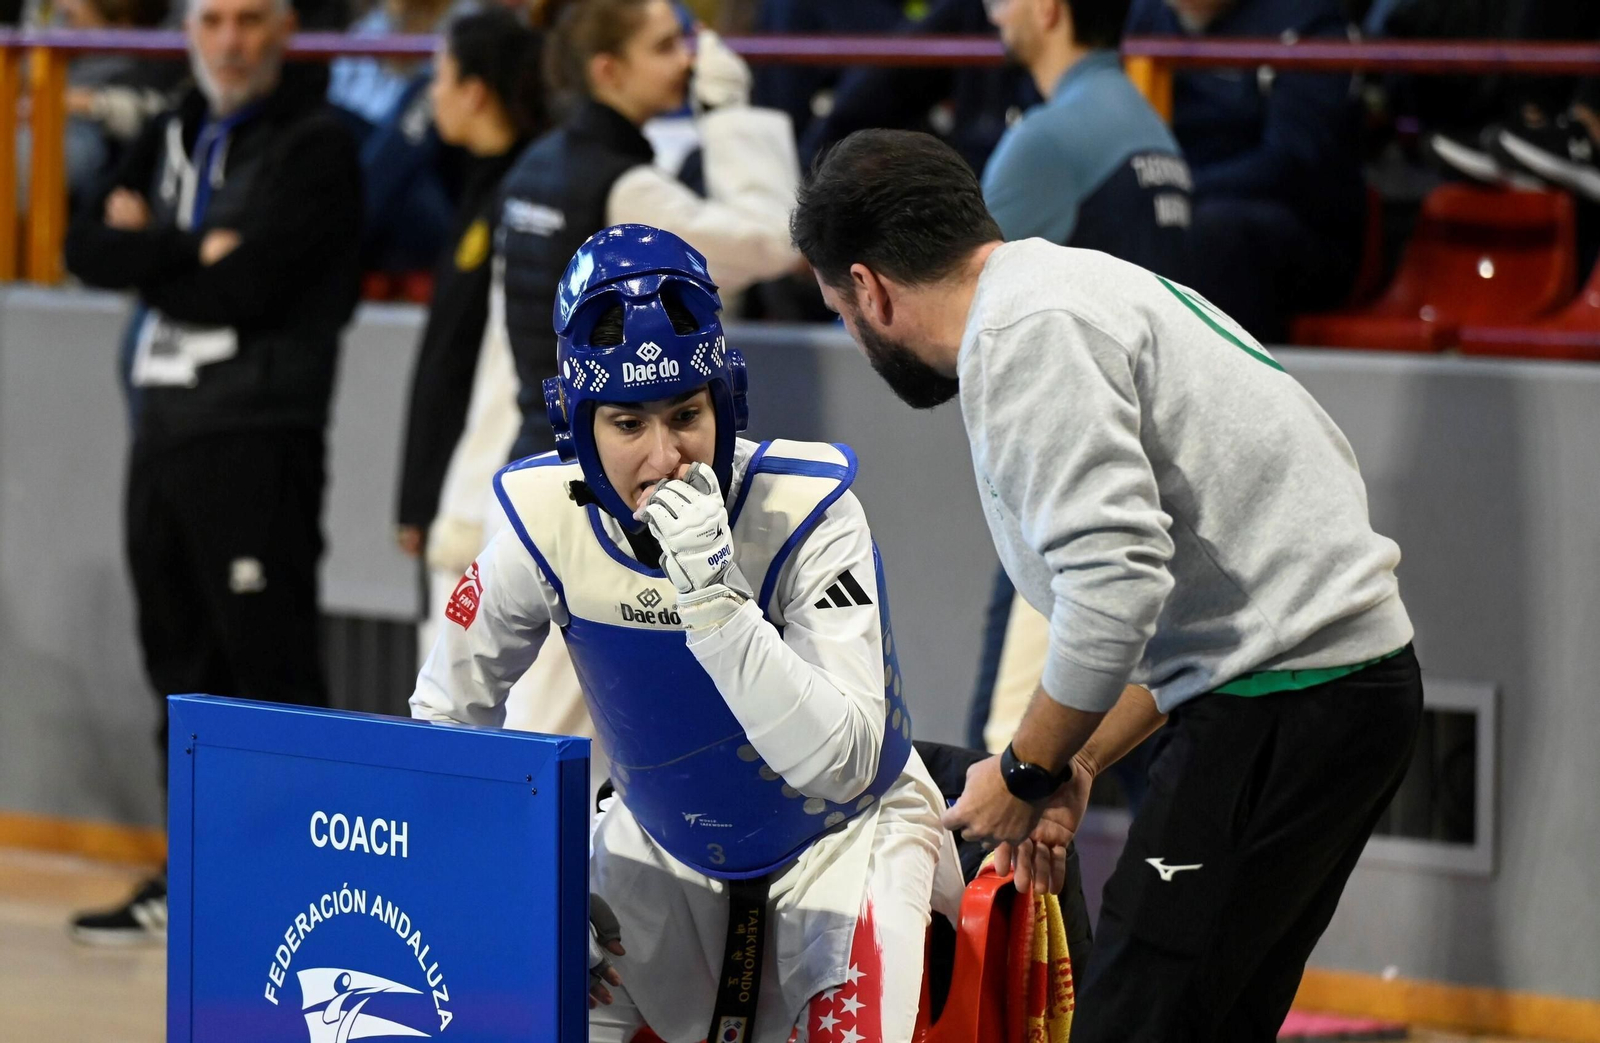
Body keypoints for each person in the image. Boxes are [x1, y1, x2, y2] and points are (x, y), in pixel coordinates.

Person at [791, 129, 1423, 1042]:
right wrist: (1077, 761)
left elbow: (1116, 592)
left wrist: (1024, 770)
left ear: (872, 288)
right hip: (1327, 694)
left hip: (1291, 703)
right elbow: (1178, 605)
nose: (854, 336)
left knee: (1135, 1020)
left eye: (840, 314)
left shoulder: (1022, 339)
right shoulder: (1062, 286)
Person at [411, 224, 992, 1043]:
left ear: (728, 400)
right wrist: (521, 879)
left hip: (843, 842)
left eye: (687, 413)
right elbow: (446, 716)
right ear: (577, 427)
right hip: (656, 841)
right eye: (626, 424)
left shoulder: (810, 513)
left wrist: (717, 606)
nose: (666, 458)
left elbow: (843, 762)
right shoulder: (540, 523)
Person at [63, 0, 362, 944]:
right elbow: (85, 247)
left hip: (258, 435)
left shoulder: (318, 145)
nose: (230, 41)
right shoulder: (169, 128)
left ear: (284, 28)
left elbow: (253, 284)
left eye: (250, 20)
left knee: (264, 665)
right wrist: (189, 248)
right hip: (162, 429)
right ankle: (192, 876)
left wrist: (148, 246)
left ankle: (300, 885)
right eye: (215, 20)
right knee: (178, 661)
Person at [972, 0, 1191, 769]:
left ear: (1048, 8)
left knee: (1010, 775)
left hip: (1068, 502)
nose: (993, 10)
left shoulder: (1044, 145)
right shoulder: (1151, 128)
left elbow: (970, 314)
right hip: (1153, 502)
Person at [496, 0, 800, 461]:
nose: (687, 60)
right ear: (608, 70)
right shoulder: (624, 190)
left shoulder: (535, 164)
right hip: (596, 469)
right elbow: (772, 241)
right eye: (664, 47)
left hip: (534, 450)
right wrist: (727, 110)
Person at [396, 6, 546, 571]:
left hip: (486, 482)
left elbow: (465, 362)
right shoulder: (477, 186)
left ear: (475, 91)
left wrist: (429, 494)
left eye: (439, 76)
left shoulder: (520, 198)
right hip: (454, 479)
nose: (432, 94)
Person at [1126, 0, 1365, 342]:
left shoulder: (1307, 22)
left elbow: (1291, 161)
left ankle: (1229, 386)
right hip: (1174, 202)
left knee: (1212, 231)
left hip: (1296, 227)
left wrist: (1173, 190)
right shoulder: (1143, 18)